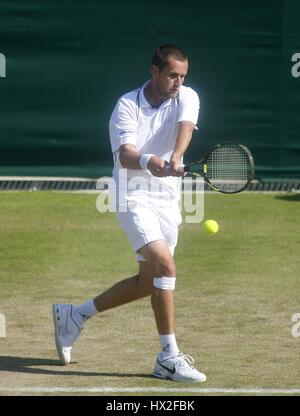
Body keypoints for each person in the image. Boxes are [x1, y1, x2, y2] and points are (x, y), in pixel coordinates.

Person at [52, 44, 206, 382]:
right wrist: (152, 162)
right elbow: (126, 155)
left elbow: (184, 126)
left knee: (149, 282)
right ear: (154, 72)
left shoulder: (187, 96)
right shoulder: (127, 105)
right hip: (131, 194)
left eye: (182, 76)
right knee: (165, 264)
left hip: (167, 198)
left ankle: (75, 315)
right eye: (171, 75)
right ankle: (168, 356)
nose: (178, 82)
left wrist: (177, 158)